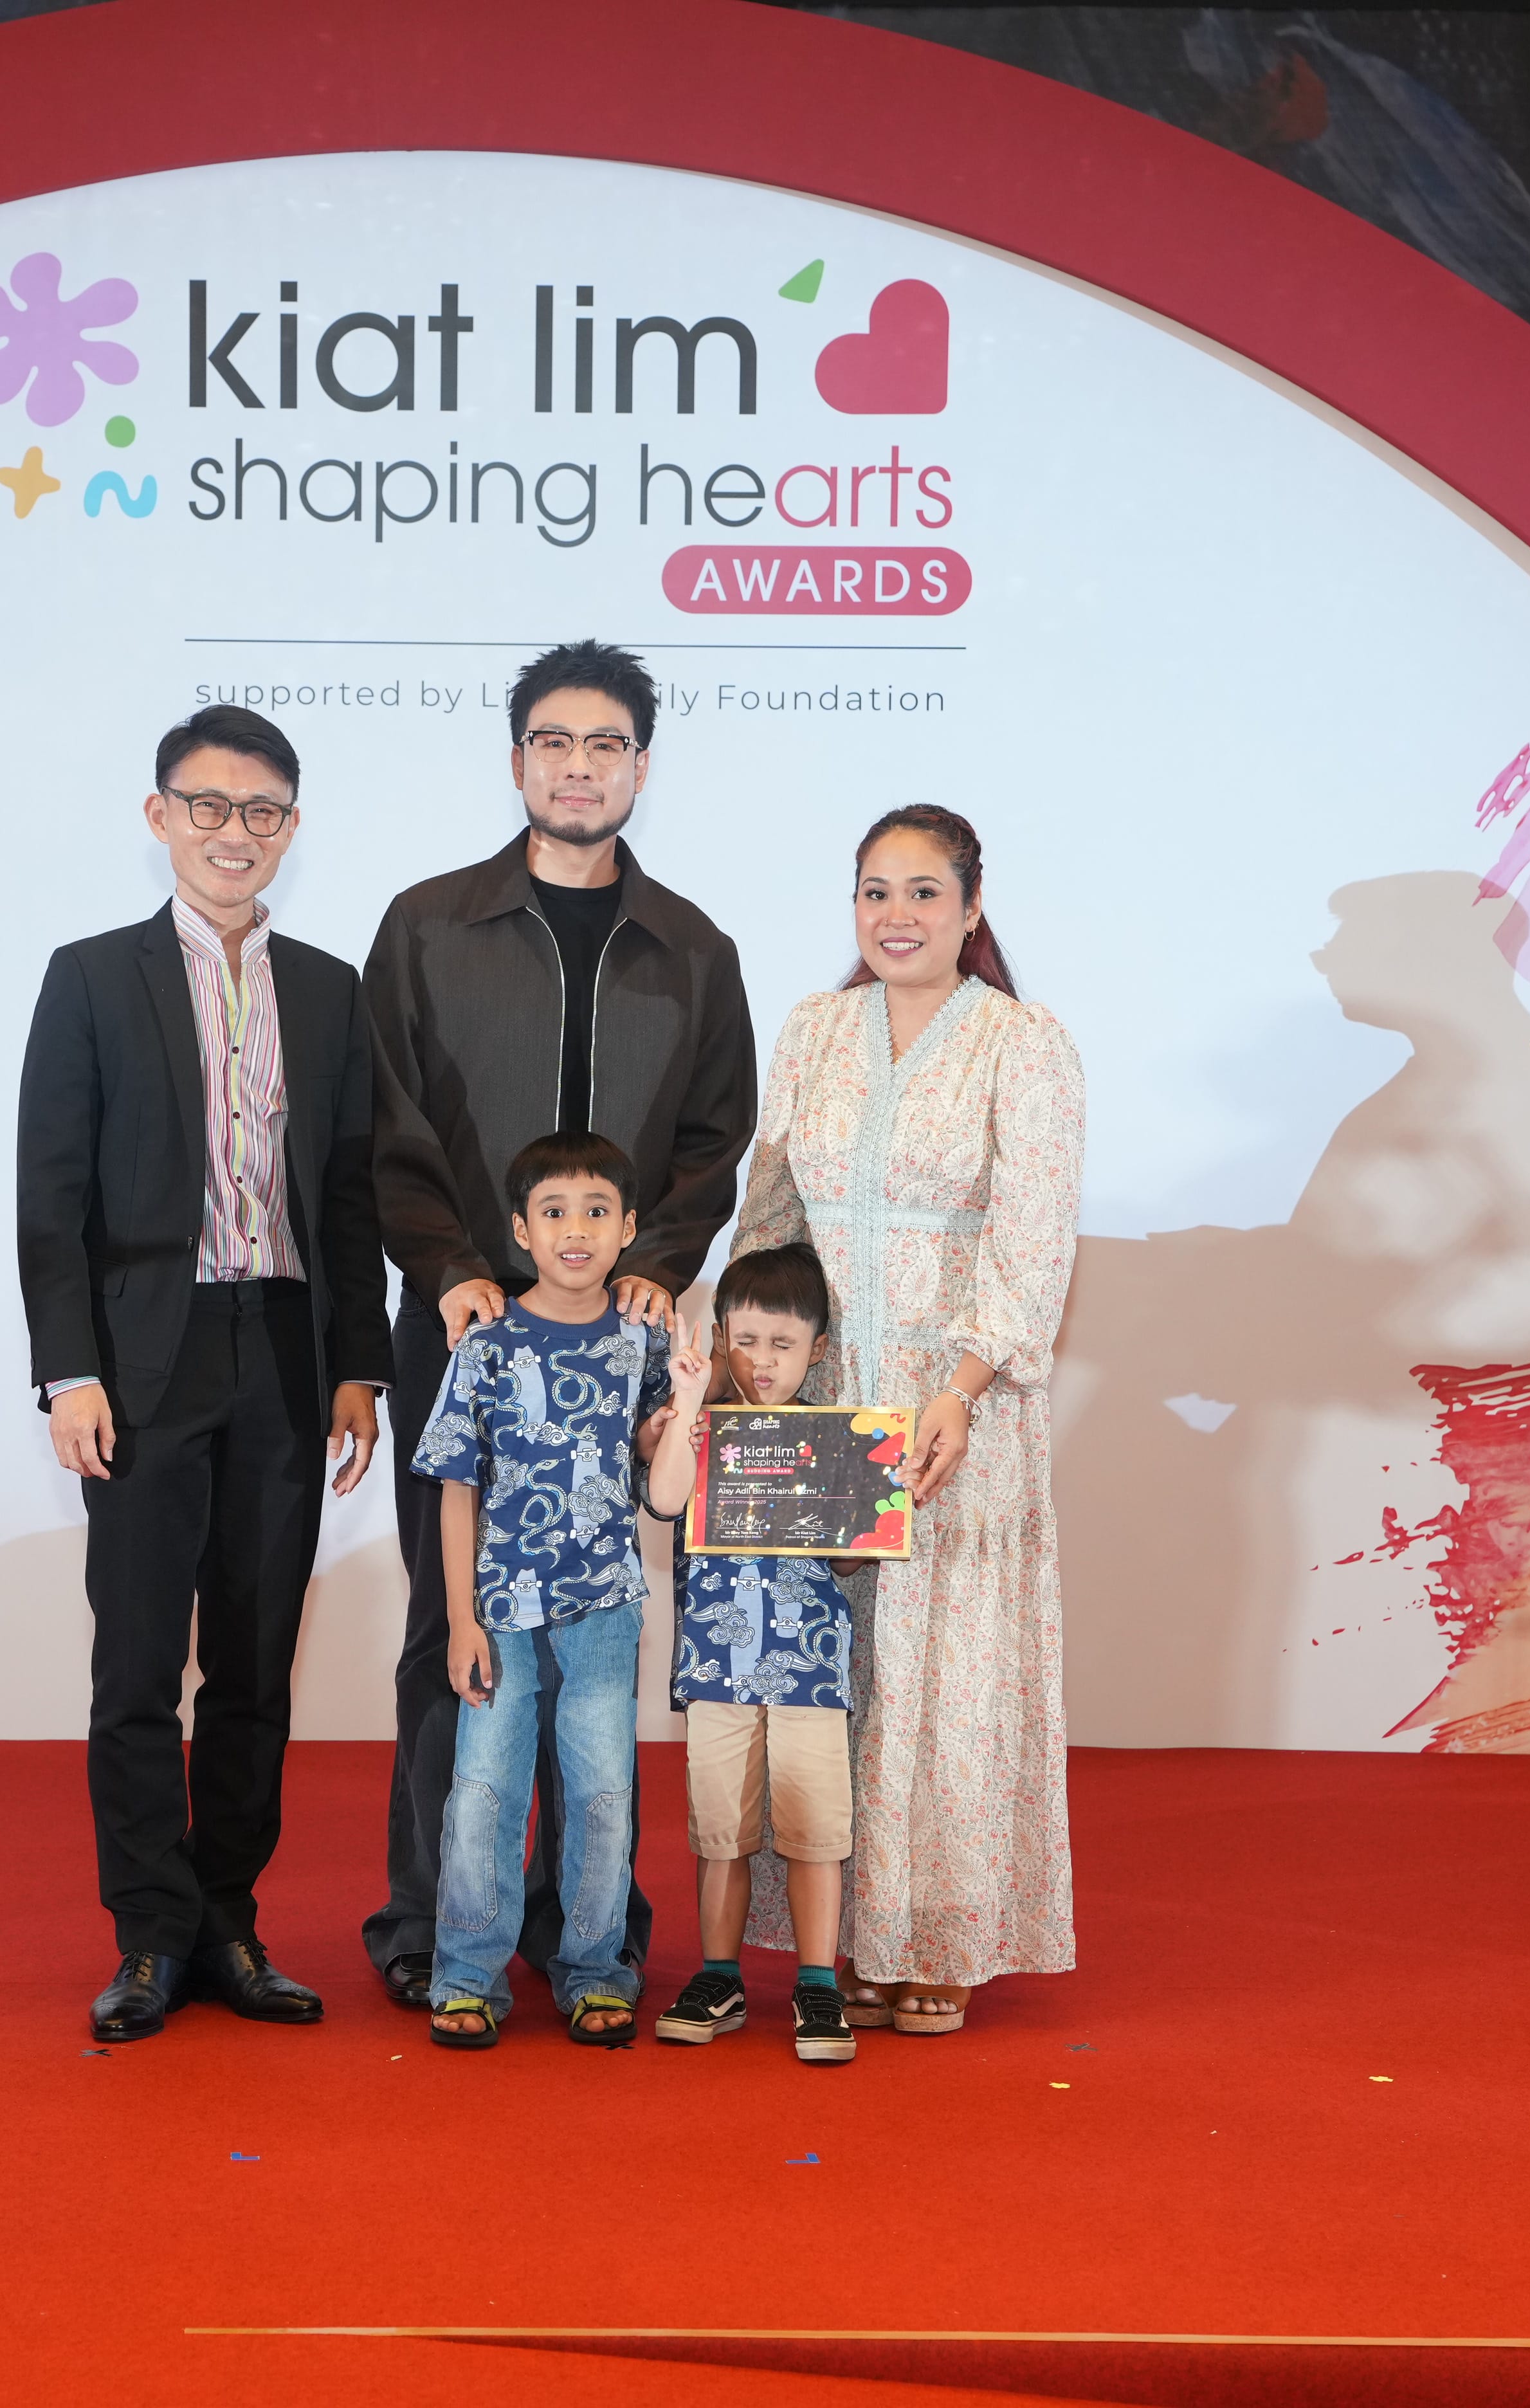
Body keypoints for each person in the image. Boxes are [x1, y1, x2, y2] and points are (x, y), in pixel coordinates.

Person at [356, 640, 758, 2011]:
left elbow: (717, 1134)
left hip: (622, 1344)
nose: (579, 768)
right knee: (454, 1623)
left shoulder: (695, 950)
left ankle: (584, 1925)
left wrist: (659, 1257)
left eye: (605, 746)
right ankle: (431, 1924)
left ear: (641, 765)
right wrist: (451, 1262)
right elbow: (388, 1119)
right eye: (554, 743)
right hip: (464, 1325)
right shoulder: (425, 926)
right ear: (516, 758)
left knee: (595, 1628)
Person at [15, 704, 388, 2045]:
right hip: (144, 1362)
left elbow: (348, 1194)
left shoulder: (335, 991)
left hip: (286, 1353)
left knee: (254, 1664)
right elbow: (50, 1197)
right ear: (159, 814)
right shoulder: (93, 978)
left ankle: (229, 1919)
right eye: (211, 808)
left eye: (264, 813)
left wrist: (360, 1367)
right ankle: (149, 1936)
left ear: (292, 829)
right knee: (135, 1668)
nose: (237, 835)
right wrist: (70, 1373)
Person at [731, 806, 1084, 2038]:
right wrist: (747, 1364)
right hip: (826, 1399)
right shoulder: (814, 1030)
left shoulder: (1023, 1043)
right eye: (874, 890)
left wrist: (962, 1387)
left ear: (972, 908)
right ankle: (836, 1943)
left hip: (955, 1409)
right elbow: (769, 1218)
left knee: (948, 1670)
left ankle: (936, 1935)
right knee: (837, 1668)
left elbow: (1033, 1238)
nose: (896, 915)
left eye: (924, 892)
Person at [409, 1130, 673, 2048]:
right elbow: (456, 1489)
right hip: (501, 1610)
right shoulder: (485, 1344)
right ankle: (468, 1973)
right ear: (520, 1230)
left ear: (629, 1227)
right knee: (484, 1790)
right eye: (553, 1212)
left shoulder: (644, 1340)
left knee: (604, 1792)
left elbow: (658, 1463)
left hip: (606, 1606)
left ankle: (596, 1968)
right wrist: (460, 1620)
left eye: (598, 1212)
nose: (576, 1230)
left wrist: (679, 1416)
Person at [640, 1241, 860, 2066]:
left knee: (815, 1828)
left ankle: (817, 1983)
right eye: (747, 1339)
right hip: (718, 1669)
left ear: (818, 1350)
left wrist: (877, 1510)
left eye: (784, 1344)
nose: (762, 1361)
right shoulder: (702, 1428)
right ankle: (721, 1975)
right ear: (720, 1334)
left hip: (810, 1668)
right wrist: (689, 1398)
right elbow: (664, 1500)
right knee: (721, 1829)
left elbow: (848, 1559)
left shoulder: (838, 1438)